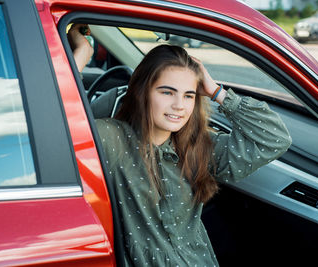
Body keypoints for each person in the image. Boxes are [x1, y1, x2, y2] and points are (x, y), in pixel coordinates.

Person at [69, 27, 292, 266]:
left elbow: (274, 138)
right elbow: (49, 126)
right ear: (142, 93)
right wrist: (82, 54)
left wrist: (216, 91)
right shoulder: (112, 138)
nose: (179, 106)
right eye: (167, 92)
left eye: (189, 95)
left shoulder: (199, 146)